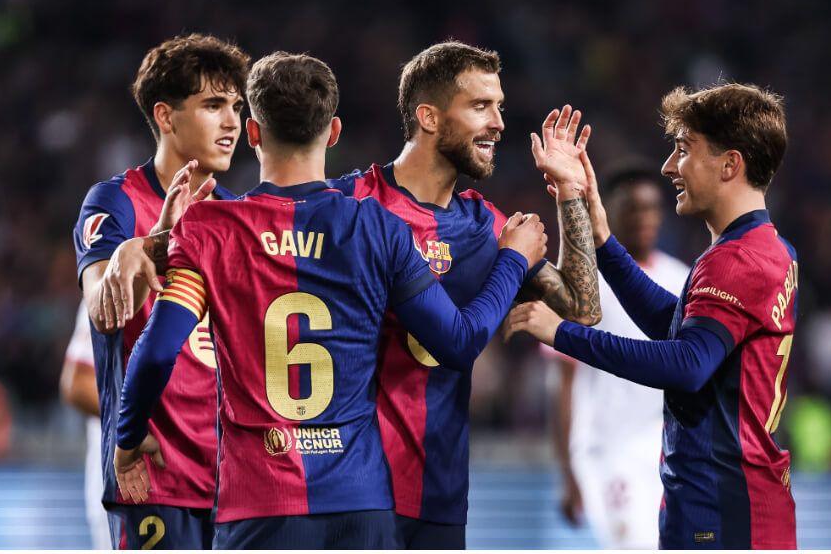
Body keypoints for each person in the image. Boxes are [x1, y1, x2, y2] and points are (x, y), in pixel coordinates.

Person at [96, 41, 603, 549]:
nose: (498, 121)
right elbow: (458, 339)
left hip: (362, 493)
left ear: (253, 132)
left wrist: (569, 195)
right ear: (336, 131)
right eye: (480, 106)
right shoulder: (366, 216)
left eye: (499, 107)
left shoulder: (480, 225)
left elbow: (582, 309)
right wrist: (137, 246)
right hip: (362, 491)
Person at [509, 83, 798, 549]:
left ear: (730, 164)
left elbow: (686, 364)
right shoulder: (768, 249)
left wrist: (561, 333)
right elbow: (677, 325)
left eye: (683, 150)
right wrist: (603, 238)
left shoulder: (736, 261)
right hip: (738, 504)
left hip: (722, 510)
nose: (669, 167)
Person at [72, 33, 250, 549]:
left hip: (238, 482)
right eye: (213, 105)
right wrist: (152, 245)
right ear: (166, 117)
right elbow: (102, 305)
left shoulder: (238, 217)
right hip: (153, 476)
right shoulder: (116, 201)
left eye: (236, 107)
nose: (232, 122)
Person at [546, 166, 688, 548]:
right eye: (632, 208)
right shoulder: (581, 282)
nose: (643, 218)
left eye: (651, 208)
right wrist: (567, 471)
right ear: (608, 209)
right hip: (607, 451)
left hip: (668, 453)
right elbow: (563, 382)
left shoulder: (683, 280)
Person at [59, 301, 112, 550]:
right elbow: (77, 384)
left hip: (203, 480)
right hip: (124, 485)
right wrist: (148, 422)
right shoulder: (108, 274)